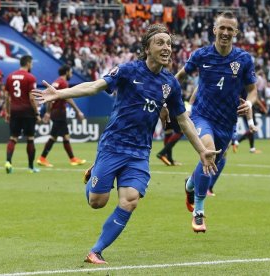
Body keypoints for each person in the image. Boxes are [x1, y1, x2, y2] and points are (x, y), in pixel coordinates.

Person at [32, 24, 221, 265]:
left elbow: (183, 120)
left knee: (130, 199)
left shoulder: (170, 84)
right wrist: (60, 94)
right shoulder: (127, 71)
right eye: (160, 43)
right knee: (97, 202)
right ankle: (94, 176)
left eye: (169, 44)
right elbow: (94, 86)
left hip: (140, 152)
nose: (167, 48)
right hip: (113, 145)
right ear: (147, 48)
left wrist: (203, 150)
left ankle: (96, 251)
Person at [174, 11, 258, 233]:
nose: (225, 32)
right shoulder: (201, 55)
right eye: (222, 27)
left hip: (227, 123)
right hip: (201, 116)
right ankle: (199, 211)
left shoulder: (244, 60)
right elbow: (180, 76)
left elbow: (252, 92)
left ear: (236, 32)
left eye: (230, 29)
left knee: (211, 163)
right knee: (208, 151)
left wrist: (249, 104)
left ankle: (190, 184)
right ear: (214, 30)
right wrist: (165, 94)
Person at [37, 65, 87, 168]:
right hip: (59, 112)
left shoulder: (56, 82)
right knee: (63, 136)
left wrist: (48, 112)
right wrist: (78, 111)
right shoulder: (63, 83)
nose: (71, 74)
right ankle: (70, 159)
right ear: (67, 72)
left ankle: (44, 158)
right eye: (71, 72)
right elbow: (68, 97)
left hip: (55, 112)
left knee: (58, 136)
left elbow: (50, 99)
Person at [4, 55, 41, 174]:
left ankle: (8, 162)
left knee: (13, 138)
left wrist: (8, 112)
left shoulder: (10, 77)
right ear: (28, 63)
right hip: (27, 112)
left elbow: (7, 97)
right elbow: (31, 97)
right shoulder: (30, 77)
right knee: (30, 138)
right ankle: (30, 167)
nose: (32, 66)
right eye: (32, 63)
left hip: (14, 111)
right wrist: (37, 112)